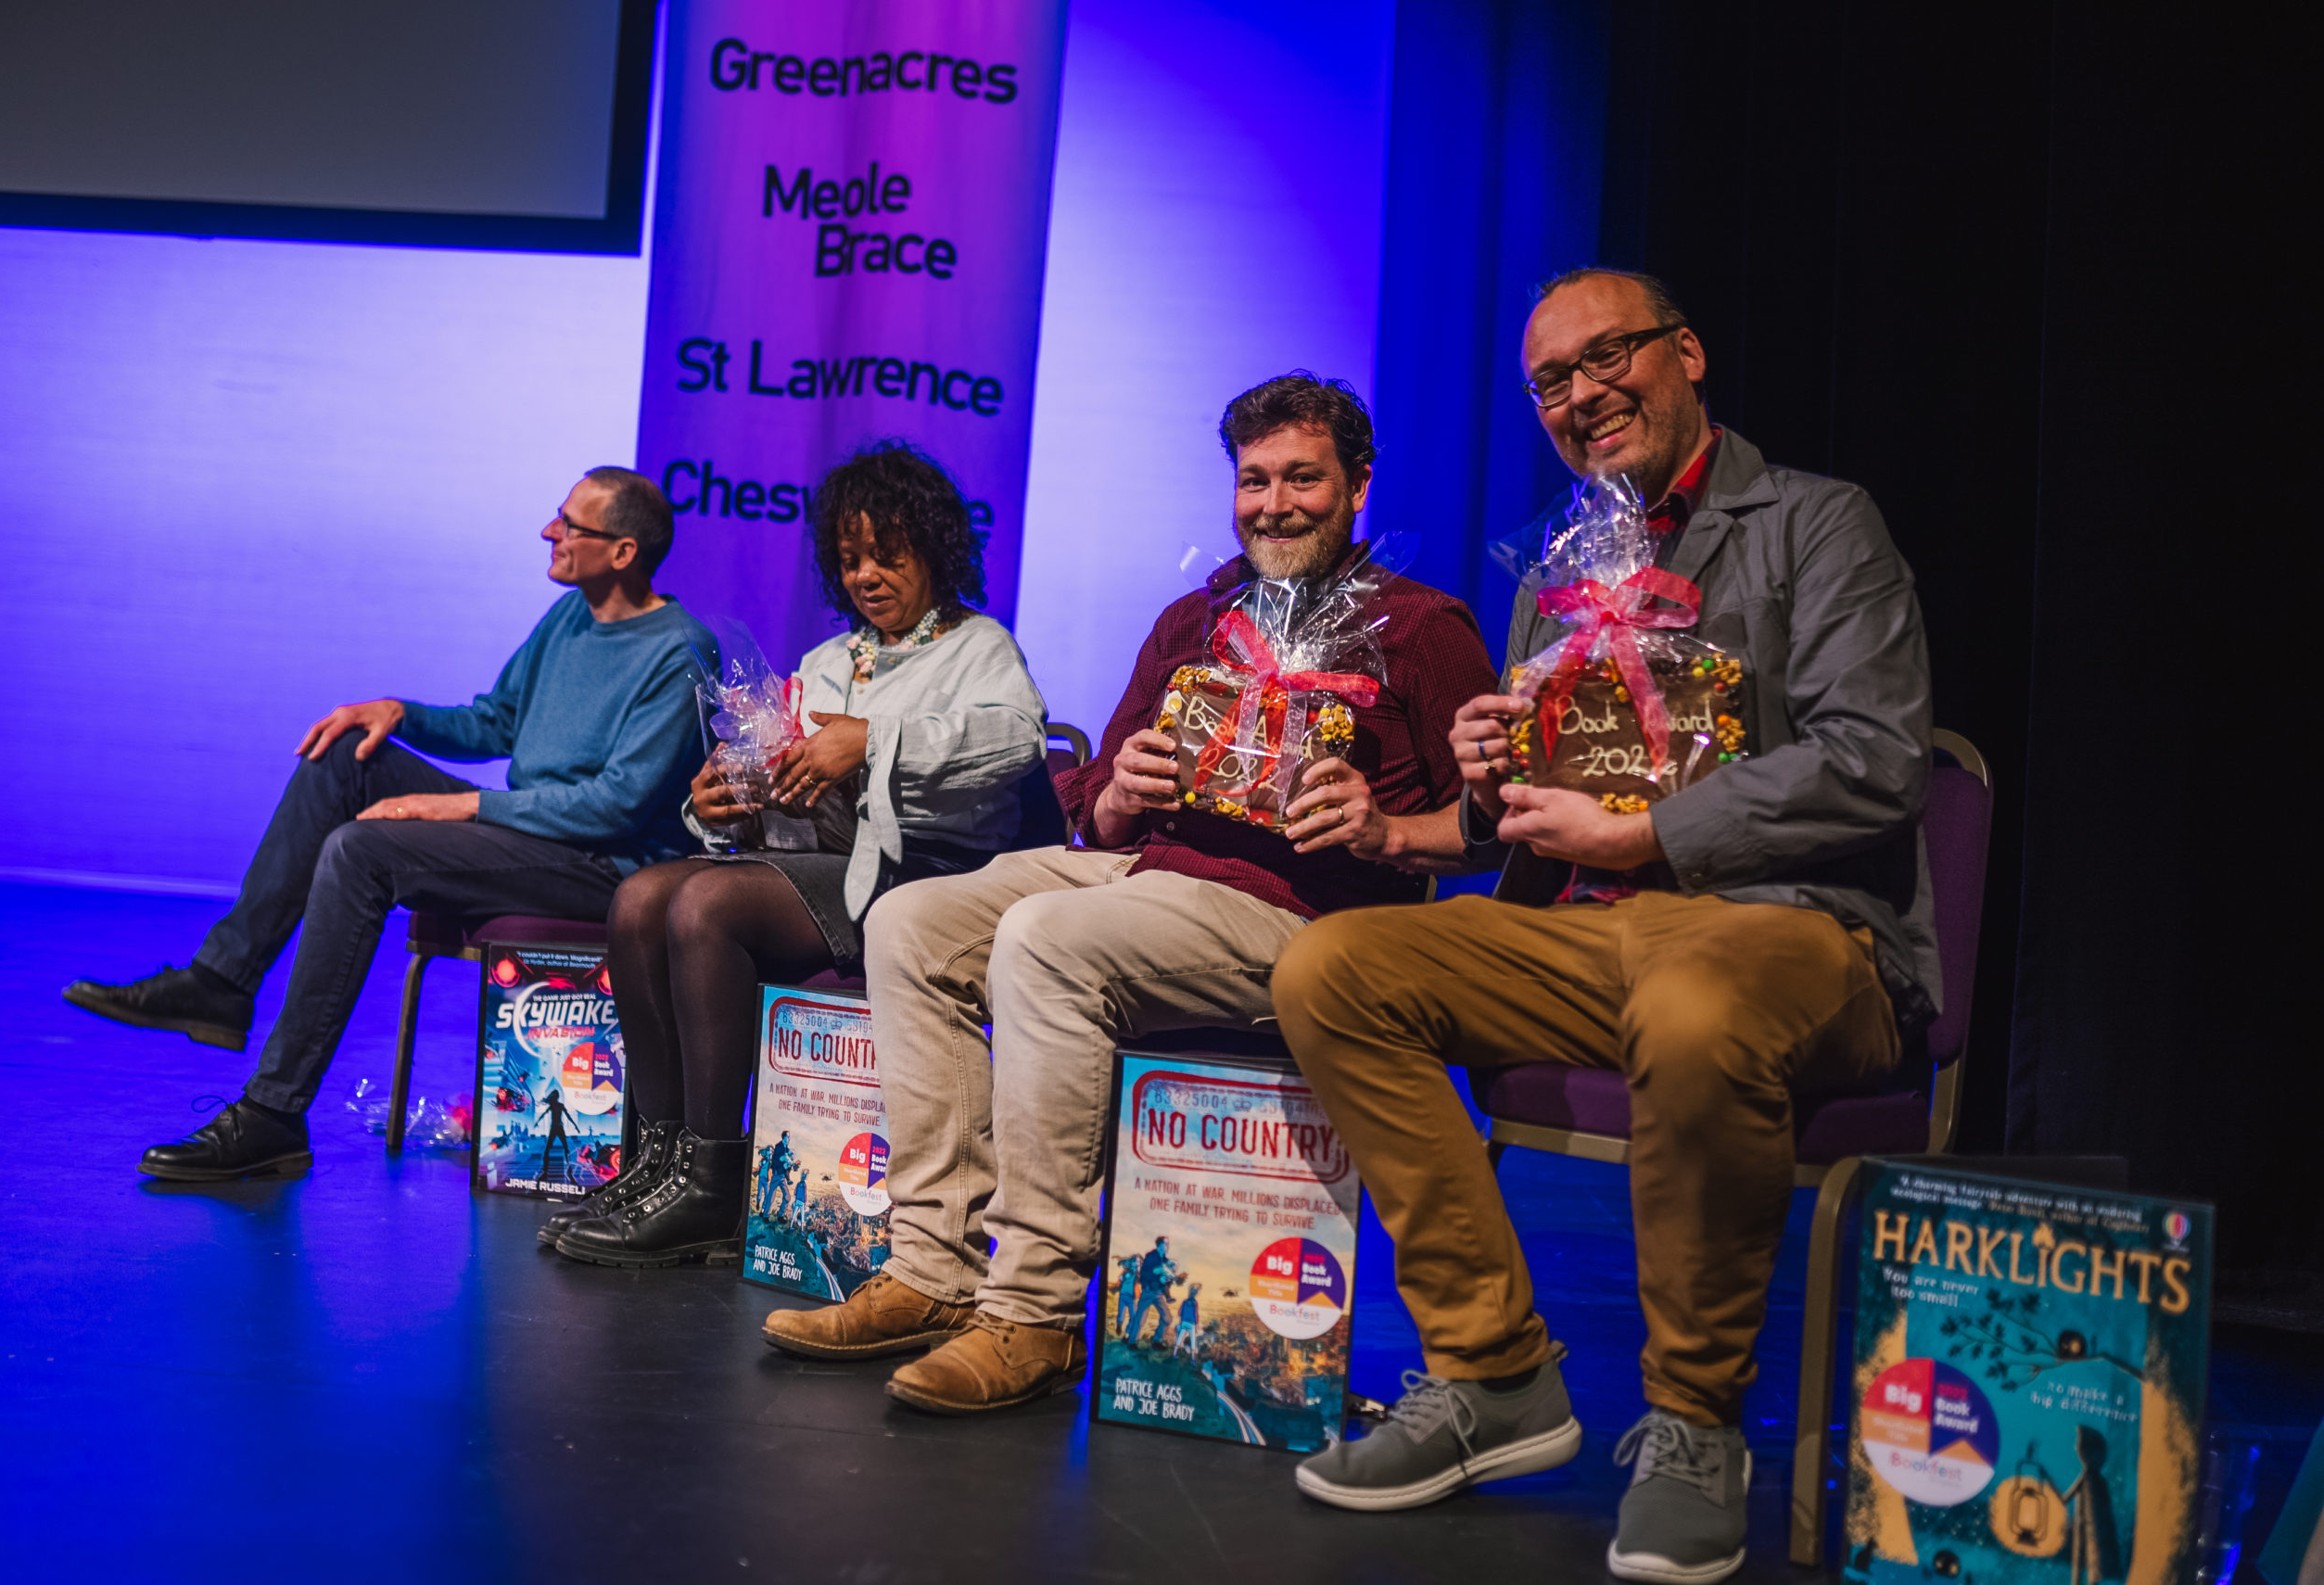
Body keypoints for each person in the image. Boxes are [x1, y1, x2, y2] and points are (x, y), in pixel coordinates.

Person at [1271, 269, 1935, 1583]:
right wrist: (1488, 772)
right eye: (1551, 382)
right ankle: (1492, 1373)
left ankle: (1693, 1424)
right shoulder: (1558, 566)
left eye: (1607, 356)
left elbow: (1875, 760)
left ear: (1685, 353)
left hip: (1790, 930)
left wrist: (1654, 835)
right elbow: (1529, 814)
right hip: (1586, 932)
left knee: (1693, 1004)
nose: (1582, 394)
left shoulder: (1815, 521)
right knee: (1332, 964)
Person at [758, 373, 1498, 1412]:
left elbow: (1493, 823)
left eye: (1302, 479)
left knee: (1046, 937)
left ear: (1358, 485)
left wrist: (1388, 830)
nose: (1274, 504)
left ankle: (1034, 1310)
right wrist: (1121, 790)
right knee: (913, 920)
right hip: (1148, 873)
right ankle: (934, 1269)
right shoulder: (1196, 618)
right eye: (1254, 481)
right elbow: (1096, 804)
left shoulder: (1420, 628)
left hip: (1306, 912)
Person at [67, 468, 714, 1182]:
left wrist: (462, 805)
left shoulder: (679, 651)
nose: (548, 532)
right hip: (532, 832)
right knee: (346, 757)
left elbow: (616, 806)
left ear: (622, 552)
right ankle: (221, 981)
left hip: (602, 867)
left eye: (569, 524)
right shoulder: (569, 617)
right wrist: (398, 714)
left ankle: (273, 1112)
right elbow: (495, 721)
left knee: (361, 850)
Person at [544, 441, 1048, 1267]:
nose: (866, 576)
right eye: (849, 560)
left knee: (706, 905)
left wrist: (872, 740)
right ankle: (659, 1164)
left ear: (934, 549)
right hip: (827, 867)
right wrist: (722, 804)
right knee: (641, 897)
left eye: (888, 555)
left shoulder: (979, 646)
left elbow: (1018, 741)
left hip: (926, 878)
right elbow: (779, 796)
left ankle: (713, 1183)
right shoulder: (827, 662)